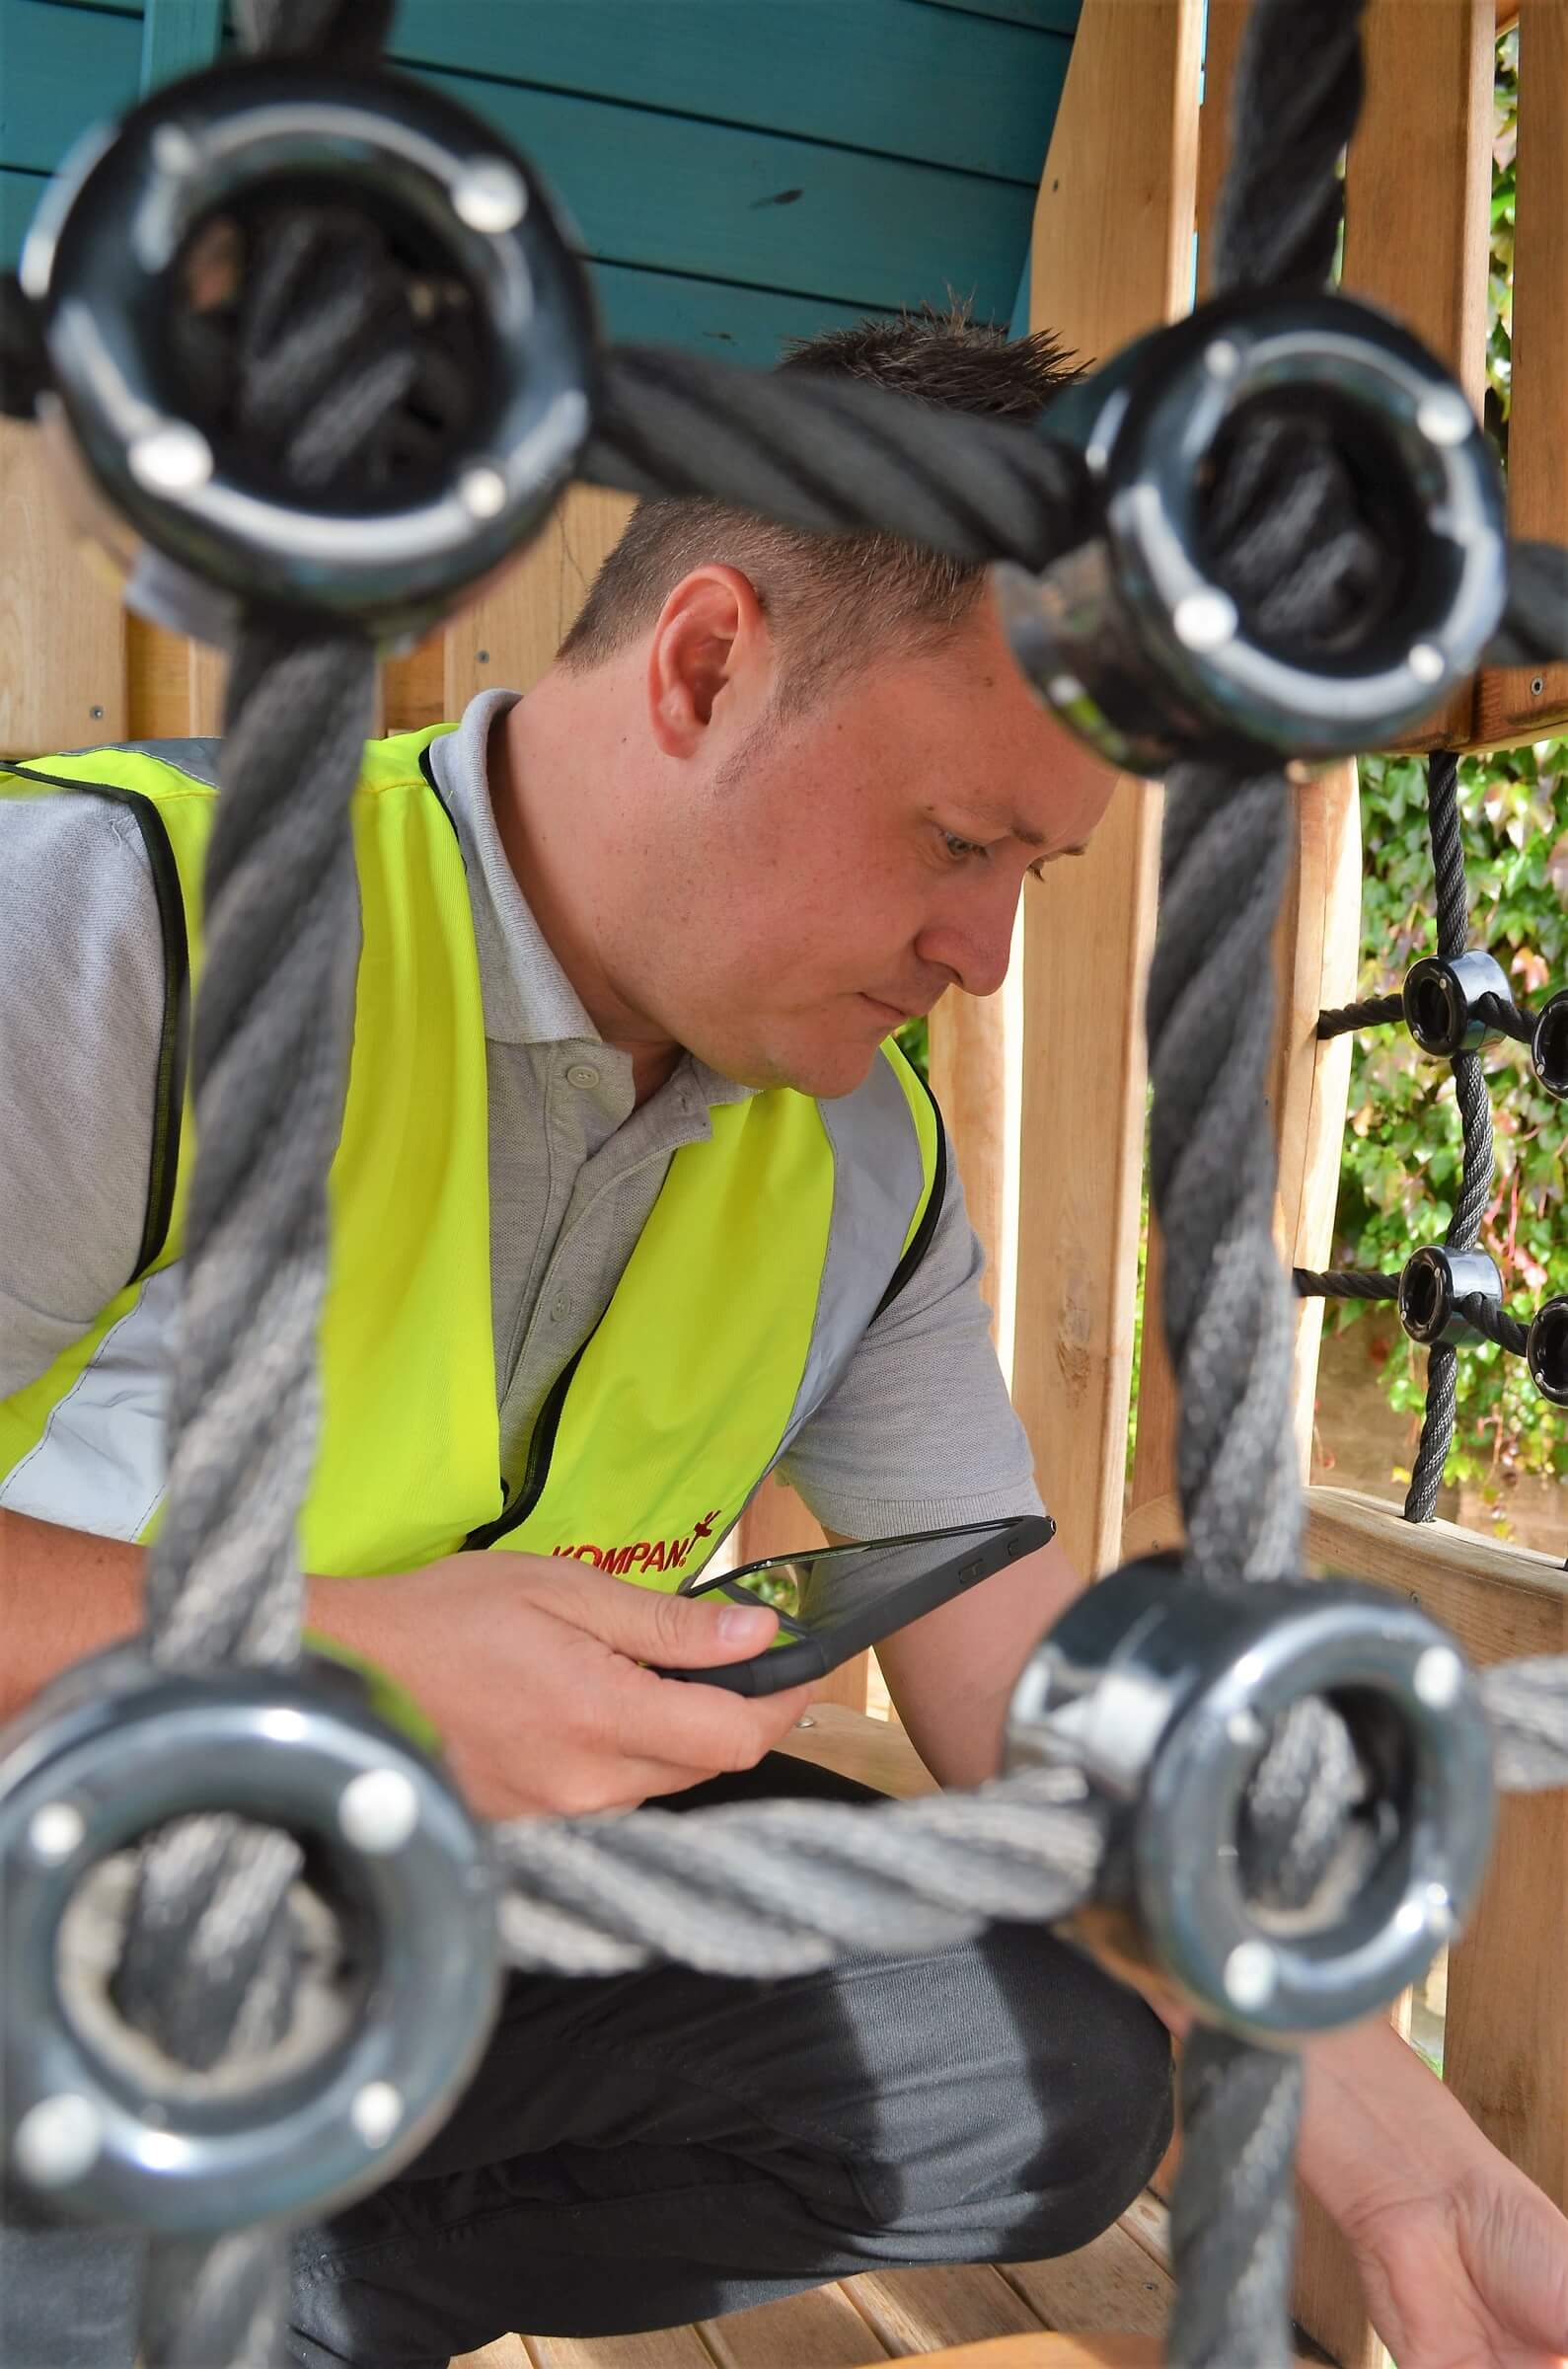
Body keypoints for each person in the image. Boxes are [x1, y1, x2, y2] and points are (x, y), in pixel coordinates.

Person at [1, 310, 1563, 2369]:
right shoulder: (122, 923)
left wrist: (1408, 2162)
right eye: (958, 840)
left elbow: (1033, 1685)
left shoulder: (866, 1148)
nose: (987, 955)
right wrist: (325, 1655)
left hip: (426, 1931)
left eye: (1040, 866)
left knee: (1049, 2060)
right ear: (706, 664)